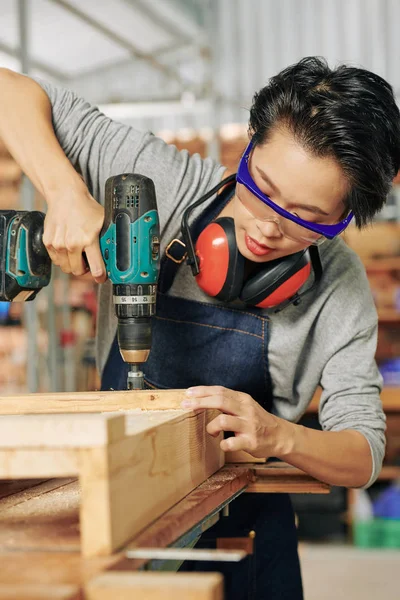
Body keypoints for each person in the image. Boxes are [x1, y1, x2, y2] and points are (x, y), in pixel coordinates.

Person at [0, 56, 399, 599]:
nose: (265, 226)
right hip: (119, 512)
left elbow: (364, 453)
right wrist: (66, 190)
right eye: (260, 186)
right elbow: (8, 88)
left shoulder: (340, 286)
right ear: (251, 143)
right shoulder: (162, 180)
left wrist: (278, 435)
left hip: (245, 530)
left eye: (304, 218)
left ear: (342, 218)